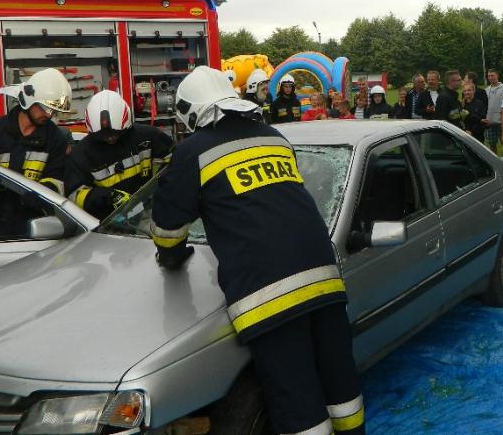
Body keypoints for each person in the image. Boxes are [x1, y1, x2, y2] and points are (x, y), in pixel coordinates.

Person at [150, 67, 364, 435]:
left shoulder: (192, 151)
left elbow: (168, 227)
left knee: (296, 397)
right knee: (340, 384)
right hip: (325, 279)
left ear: (189, 111)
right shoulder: (274, 137)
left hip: (269, 294)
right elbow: (275, 201)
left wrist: (172, 256)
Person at [66, 90, 173, 220]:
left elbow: (173, 159)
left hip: (150, 213)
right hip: (108, 222)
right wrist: (108, 197)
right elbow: (74, 195)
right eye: (103, 136)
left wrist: (161, 186)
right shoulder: (82, 154)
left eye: (115, 134)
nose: (110, 139)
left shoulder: (148, 137)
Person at [0, 68, 74, 195]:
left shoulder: (55, 139)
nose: (49, 115)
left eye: (53, 111)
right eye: (45, 108)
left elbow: (57, 179)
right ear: (28, 100)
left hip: (31, 208)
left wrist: (46, 190)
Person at [484, 69, 503, 154]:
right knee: (492, 144)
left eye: (492, 75)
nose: (490, 77)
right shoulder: (486, 90)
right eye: (489, 76)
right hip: (489, 122)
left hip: (502, 122)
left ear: (497, 75)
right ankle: (494, 161)